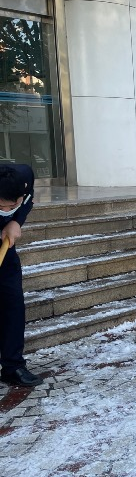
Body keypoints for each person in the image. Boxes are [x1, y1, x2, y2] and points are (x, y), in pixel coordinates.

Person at [0, 164, 42, 387]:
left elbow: (28, 200)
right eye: (0, 206)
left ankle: (12, 366)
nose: (7, 208)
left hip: (4, 253)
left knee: (13, 305)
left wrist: (16, 220)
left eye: (12, 204)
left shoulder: (24, 176)